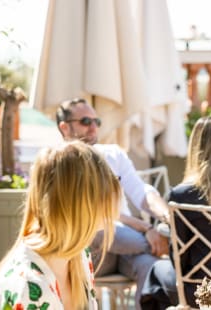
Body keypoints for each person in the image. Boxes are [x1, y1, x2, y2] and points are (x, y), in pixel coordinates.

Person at [56, 98, 170, 309]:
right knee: (99, 229)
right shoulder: (60, 163)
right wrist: (146, 229)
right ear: (64, 127)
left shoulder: (113, 154)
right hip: (88, 252)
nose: (93, 127)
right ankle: (167, 246)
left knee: (151, 266)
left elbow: (142, 192)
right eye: (85, 121)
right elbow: (95, 213)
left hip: (126, 248)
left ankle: (160, 245)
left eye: (96, 121)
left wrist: (167, 217)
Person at [0, 141, 121, 309]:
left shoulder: (78, 256)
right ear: (81, 202)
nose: (116, 190)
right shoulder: (30, 286)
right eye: (109, 183)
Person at [141, 116, 211, 309]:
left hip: (198, 291)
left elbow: (179, 260)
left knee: (156, 271)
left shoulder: (180, 195)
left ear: (195, 147)